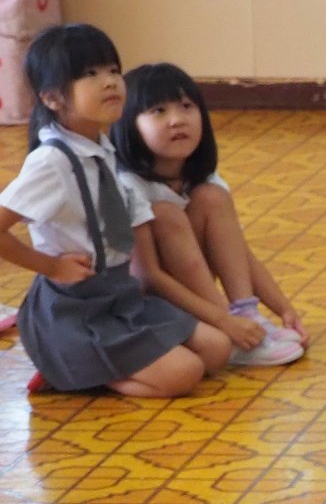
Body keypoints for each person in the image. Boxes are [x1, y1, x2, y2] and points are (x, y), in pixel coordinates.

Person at [0, 25, 231, 396]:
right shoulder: (51, 163)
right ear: (52, 98)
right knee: (184, 374)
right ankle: (70, 370)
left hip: (118, 298)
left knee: (217, 349)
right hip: (73, 312)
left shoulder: (103, 149)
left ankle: (93, 362)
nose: (109, 82)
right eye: (89, 74)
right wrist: (51, 266)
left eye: (112, 70)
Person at [111, 62, 306, 367]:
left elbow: (238, 251)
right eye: (158, 111)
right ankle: (228, 329)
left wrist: (283, 308)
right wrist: (222, 321)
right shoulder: (127, 185)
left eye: (187, 106)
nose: (177, 120)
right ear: (127, 124)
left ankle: (245, 315)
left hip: (196, 297)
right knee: (165, 214)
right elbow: (147, 278)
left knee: (213, 198)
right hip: (147, 301)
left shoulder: (204, 178)